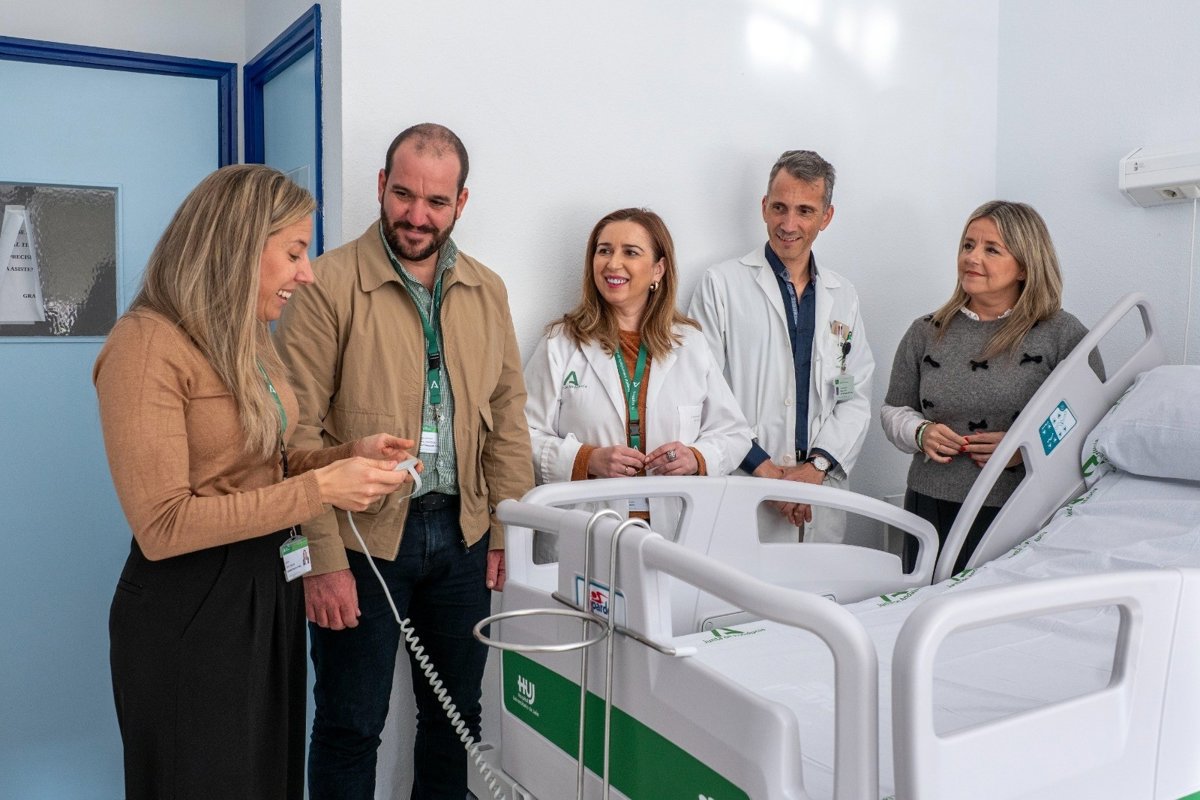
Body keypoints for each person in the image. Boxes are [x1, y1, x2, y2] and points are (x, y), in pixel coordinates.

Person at [93, 164, 417, 800]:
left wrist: (346, 457)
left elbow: (267, 463)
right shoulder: (146, 345)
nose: (307, 273)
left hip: (266, 590)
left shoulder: (247, 339)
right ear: (239, 246)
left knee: (267, 778)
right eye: (294, 253)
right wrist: (322, 491)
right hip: (190, 607)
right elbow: (162, 526)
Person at [273, 123, 534, 799]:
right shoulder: (326, 284)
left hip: (464, 535)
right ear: (381, 185)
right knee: (350, 725)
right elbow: (293, 435)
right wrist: (321, 559)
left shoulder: (487, 289)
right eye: (404, 195)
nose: (417, 216)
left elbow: (507, 414)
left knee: (456, 720)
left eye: (437, 202)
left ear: (461, 202)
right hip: (359, 539)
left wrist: (504, 529)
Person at [881, 200, 1103, 573]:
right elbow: (894, 409)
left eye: (991, 249)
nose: (972, 257)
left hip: (1021, 508)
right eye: (968, 245)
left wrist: (1025, 447)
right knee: (927, 603)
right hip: (930, 504)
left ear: (1024, 265)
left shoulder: (1063, 335)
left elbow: (1089, 421)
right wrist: (920, 432)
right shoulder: (925, 332)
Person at [524, 208, 752, 537]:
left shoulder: (690, 344)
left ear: (658, 269)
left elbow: (735, 434)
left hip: (674, 532)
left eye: (630, 252)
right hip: (587, 531)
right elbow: (521, 435)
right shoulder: (561, 342)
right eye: (604, 251)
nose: (613, 263)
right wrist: (587, 459)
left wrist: (696, 457)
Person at [689, 150, 874, 543]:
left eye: (805, 211)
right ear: (764, 207)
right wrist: (766, 471)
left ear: (826, 217)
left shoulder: (843, 295)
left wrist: (816, 468)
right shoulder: (721, 284)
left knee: (819, 582)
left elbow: (853, 394)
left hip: (818, 493)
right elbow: (702, 390)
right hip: (745, 486)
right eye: (779, 208)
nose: (789, 224)